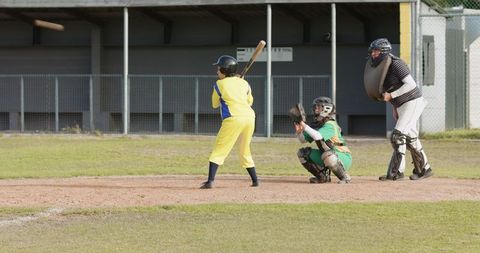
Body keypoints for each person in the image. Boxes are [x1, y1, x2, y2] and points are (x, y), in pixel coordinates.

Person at [367, 38, 433, 181]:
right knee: (410, 138)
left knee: (397, 136)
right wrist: (395, 107)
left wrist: (392, 95)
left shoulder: (396, 64)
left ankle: (396, 172)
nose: (373, 54)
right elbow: (391, 88)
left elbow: (411, 85)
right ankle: (424, 169)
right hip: (401, 105)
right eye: (372, 51)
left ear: (384, 51)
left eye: (376, 51)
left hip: (412, 101)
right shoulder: (381, 67)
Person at [200, 55, 258, 189]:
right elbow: (250, 102)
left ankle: (210, 181)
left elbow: (215, 104)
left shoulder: (219, 84)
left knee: (220, 148)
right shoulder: (244, 83)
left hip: (233, 118)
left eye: (219, 68)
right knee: (244, 149)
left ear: (224, 70)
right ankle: (255, 180)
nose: (217, 71)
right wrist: (239, 84)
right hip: (250, 118)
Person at [294, 97, 352, 184]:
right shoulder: (319, 125)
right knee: (302, 154)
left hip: (343, 156)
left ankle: (344, 177)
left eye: (319, 107)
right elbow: (303, 140)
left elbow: (317, 136)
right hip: (329, 155)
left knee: (328, 155)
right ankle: (322, 177)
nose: (316, 109)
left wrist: (304, 125)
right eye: (315, 107)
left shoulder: (330, 124)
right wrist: (299, 131)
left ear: (327, 109)